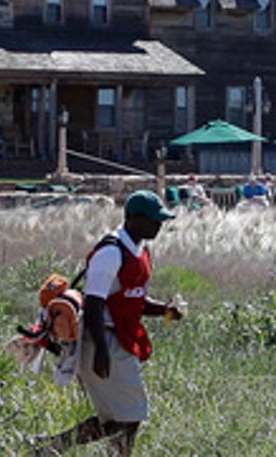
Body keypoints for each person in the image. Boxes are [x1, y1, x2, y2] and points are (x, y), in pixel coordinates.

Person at [34, 190, 185, 456]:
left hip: (119, 338)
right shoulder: (111, 252)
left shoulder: (139, 250)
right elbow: (94, 304)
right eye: (154, 220)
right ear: (134, 219)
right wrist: (101, 352)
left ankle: (49, 447)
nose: (159, 225)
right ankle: (53, 447)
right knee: (131, 415)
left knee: (117, 420)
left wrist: (164, 310)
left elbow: (133, 299)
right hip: (104, 337)